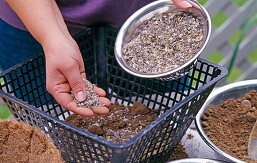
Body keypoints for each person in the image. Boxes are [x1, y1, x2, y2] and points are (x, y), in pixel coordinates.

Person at [0, 0, 196, 116]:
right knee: (51, 127)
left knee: (161, 113)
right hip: (34, 16)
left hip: (146, 21)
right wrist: (52, 37)